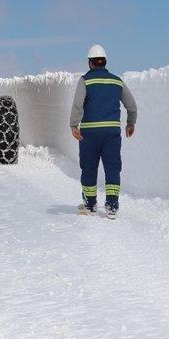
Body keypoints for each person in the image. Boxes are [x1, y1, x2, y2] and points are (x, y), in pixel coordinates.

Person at [69, 44, 137, 219]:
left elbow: (78, 104)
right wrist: (130, 123)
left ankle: (90, 205)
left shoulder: (85, 80)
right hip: (111, 133)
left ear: (90, 63)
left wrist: (73, 125)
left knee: (89, 167)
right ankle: (112, 206)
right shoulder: (117, 81)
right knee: (112, 166)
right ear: (105, 62)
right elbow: (132, 105)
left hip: (90, 134)